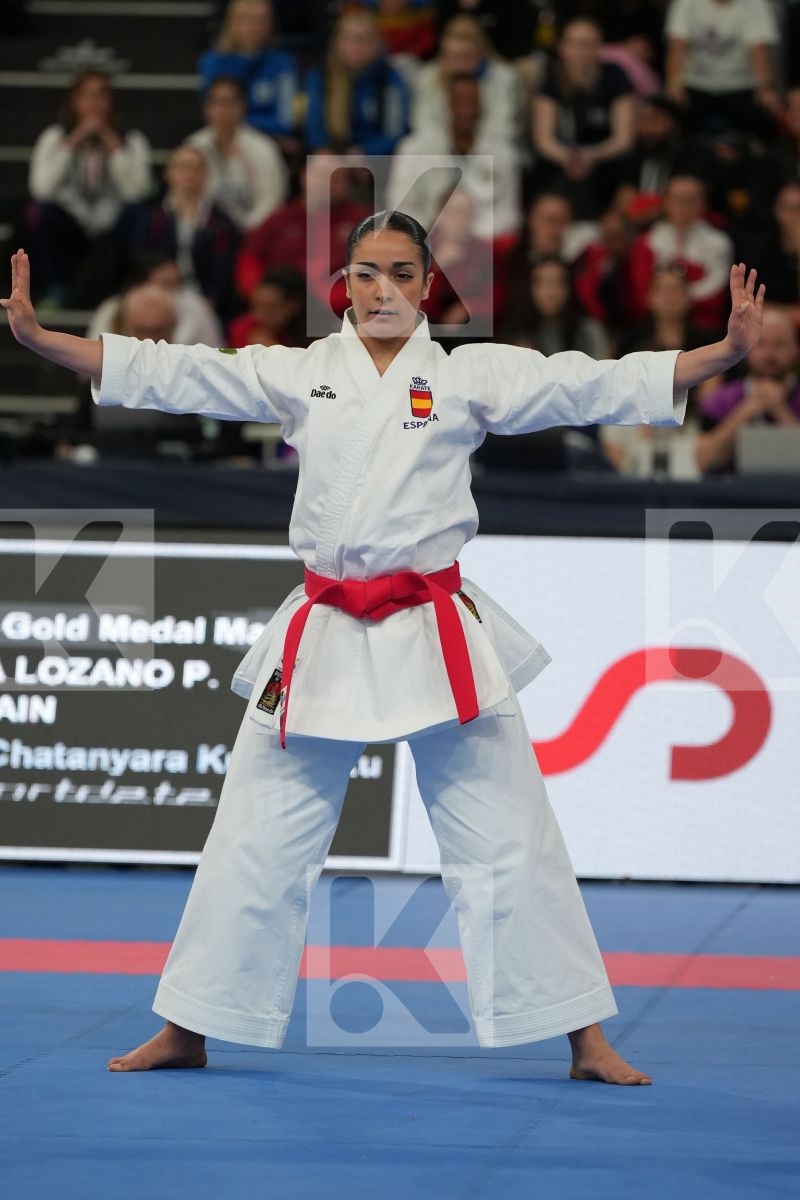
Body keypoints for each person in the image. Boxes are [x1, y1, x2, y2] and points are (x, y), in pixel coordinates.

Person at [2, 214, 765, 1084]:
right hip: (324, 625)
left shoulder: (467, 373)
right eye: (365, 273)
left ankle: (582, 1036)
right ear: (344, 282)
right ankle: (190, 1024)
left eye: (401, 272)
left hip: (433, 627)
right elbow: (180, 373)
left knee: (511, 833)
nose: (382, 290)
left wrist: (717, 356)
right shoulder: (302, 372)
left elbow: (585, 386)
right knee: (253, 834)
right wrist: (41, 337)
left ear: (429, 283)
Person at [27, 70, 152, 307]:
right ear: (74, 102)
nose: (93, 103)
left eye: (101, 96)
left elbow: (137, 192)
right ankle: (54, 290)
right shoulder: (55, 137)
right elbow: (41, 189)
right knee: (41, 212)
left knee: (140, 212)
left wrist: (114, 146)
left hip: (111, 231)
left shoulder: (132, 140)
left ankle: (133, 289)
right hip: (71, 229)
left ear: (111, 102)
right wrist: (72, 141)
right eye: (86, 96)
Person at [530, 17, 636, 218]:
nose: (582, 51)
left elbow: (624, 139)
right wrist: (568, 158)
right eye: (576, 43)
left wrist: (591, 156)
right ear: (562, 47)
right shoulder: (551, 77)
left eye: (589, 44)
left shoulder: (615, 76)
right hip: (562, 159)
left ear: (599, 47)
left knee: (626, 165)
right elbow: (543, 139)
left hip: (603, 158)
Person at [129, 144, 240, 322]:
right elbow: (140, 256)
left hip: (204, 300)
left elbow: (225, 267)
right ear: (169, 172)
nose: (189, 174)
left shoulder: (221, 223)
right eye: (182, 167)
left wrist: (212, 298)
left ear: (205, 175)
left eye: (196, 168)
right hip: (157, 293)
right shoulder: (150, 216)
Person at [695, 308, 800, 473]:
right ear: (747, 349)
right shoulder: (721, 400)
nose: (769, 354)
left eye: (779, 344)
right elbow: (704, 462)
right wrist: (749, 409)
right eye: (761, 344)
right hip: (734, 495)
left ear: (795, 350)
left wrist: (780, 410)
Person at [627, 174, 734, 331]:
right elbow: (641, 289)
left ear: (703, 203)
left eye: (690, 199)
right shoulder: (650, 239)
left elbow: (716, 295)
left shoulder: (719, 242)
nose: (683, 206)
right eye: (677, 199)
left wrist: (675, 298)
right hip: (653, 326)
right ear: (666, 203)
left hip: (703, 327)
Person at [664, 0, 781, 140]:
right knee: (674, 113)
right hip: (695, 83)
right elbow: (677, 45)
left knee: (765, 116)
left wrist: (765, 89)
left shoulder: (756, 4)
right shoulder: (685, 3)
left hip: (741, 84)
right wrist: (674, 85)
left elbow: (758, 49)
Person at [187, 77, 289, 232]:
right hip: (204, 234)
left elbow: (272, 200)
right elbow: (182, 197)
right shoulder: (194, 146)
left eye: (230, 102)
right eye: (217, 102)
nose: (223, 109)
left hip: (254, 233)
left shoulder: (263, 148)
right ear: (207, 108)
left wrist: (247, 230)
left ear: (243, 107)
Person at [304, 9, 411, 156]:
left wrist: (367, 152)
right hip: (334, 154)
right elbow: (314, 127)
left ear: (379, 44)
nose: (358, 46)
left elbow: (396, 132)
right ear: (337, 43)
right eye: (350, 38)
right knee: (322, 166)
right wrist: (327, 152)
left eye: (366, 39)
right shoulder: (322, 75)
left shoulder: (390, 78)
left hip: (379, 157)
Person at [198, 0, 299, 141]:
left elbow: (286, 119)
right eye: (247, 19)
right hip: (221, 136)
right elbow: (212, 112)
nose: (254, 27)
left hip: (269, 140)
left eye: (262, 20)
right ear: (231, 22)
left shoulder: (283, 63)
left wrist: (240, 123)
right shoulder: (213, 61)